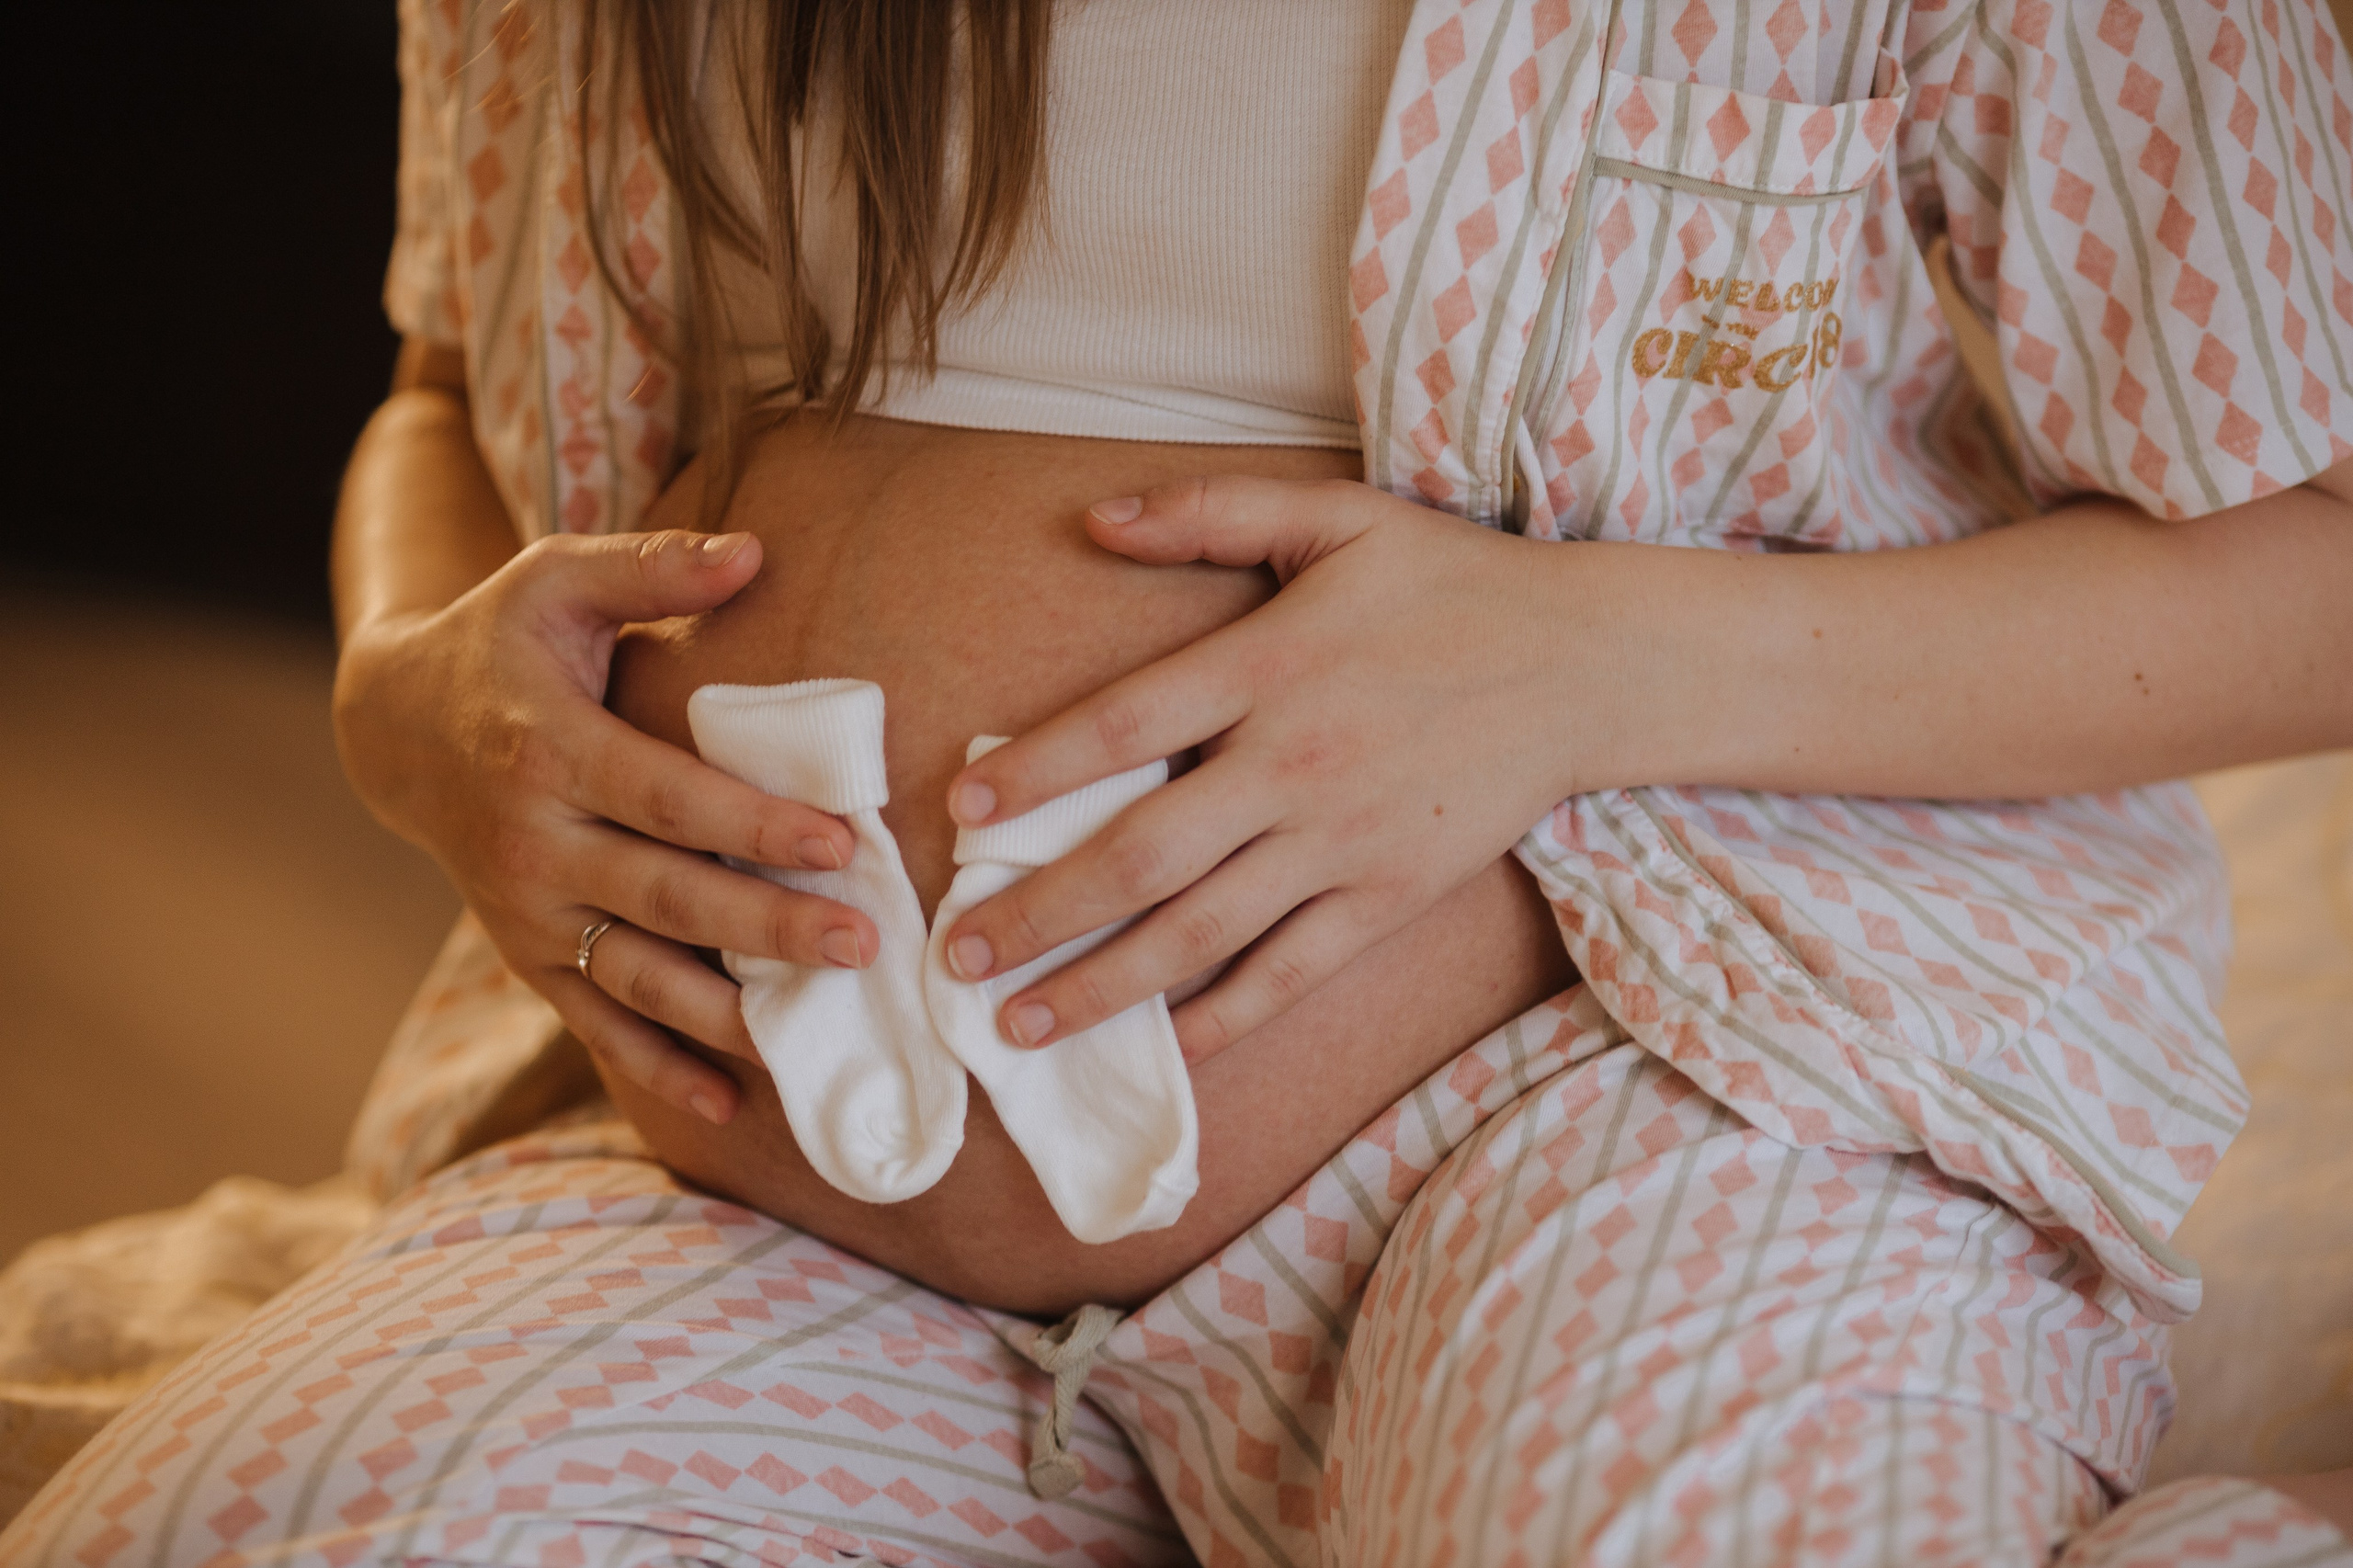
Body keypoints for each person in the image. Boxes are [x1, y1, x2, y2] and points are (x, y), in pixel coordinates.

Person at [6, 0, 2351, 1563]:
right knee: (238, 1525)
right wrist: (415, 697)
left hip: (1652, 1091)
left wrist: (1588, 664)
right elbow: (439, 372)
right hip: (785, 1175)